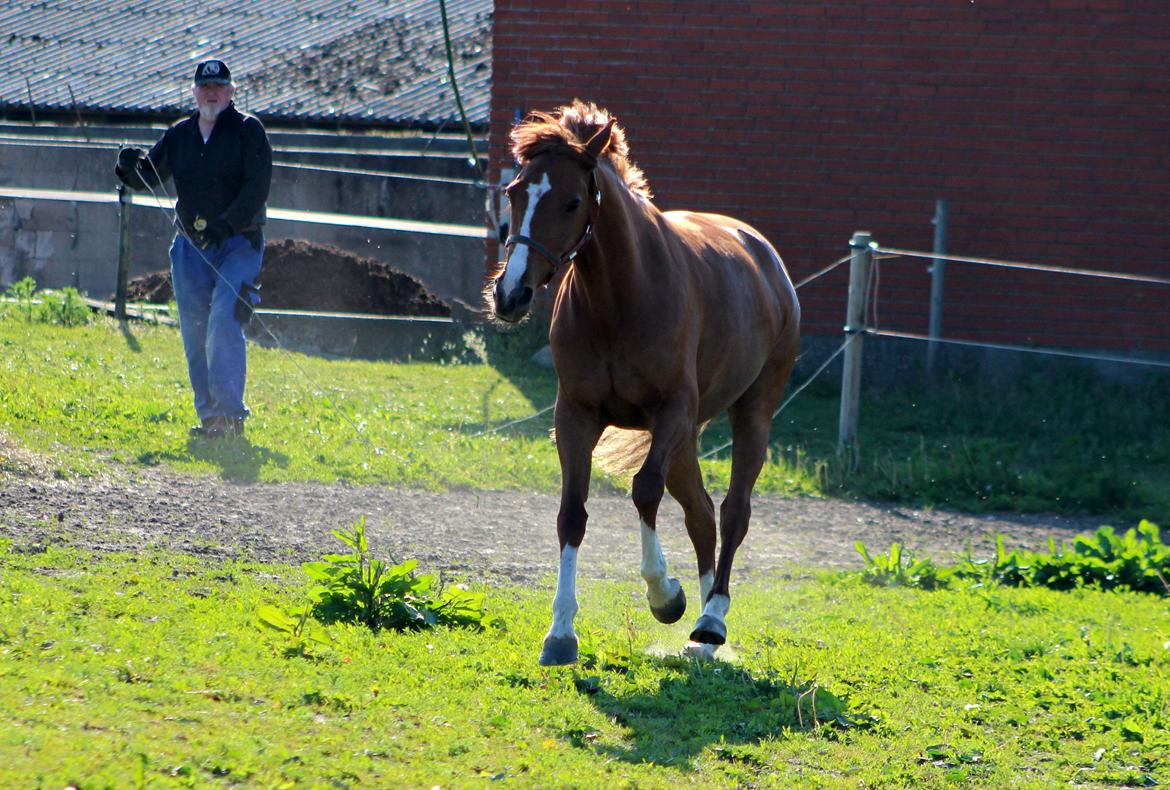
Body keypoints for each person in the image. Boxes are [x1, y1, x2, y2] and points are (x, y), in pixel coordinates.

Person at [115, 59, 272, 439]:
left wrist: (226, 224)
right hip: (190, 247)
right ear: (194, 92)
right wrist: (128, 167)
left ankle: (232, 416)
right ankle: (211, 418)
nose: (212, 93)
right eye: (205, 87)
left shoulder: (248, 131)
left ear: (232, 92)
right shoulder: (180, 134)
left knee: (223, 319)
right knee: (195, 329)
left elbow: (257, 187)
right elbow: (150, 176)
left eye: (219, 86)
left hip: (237, 242)